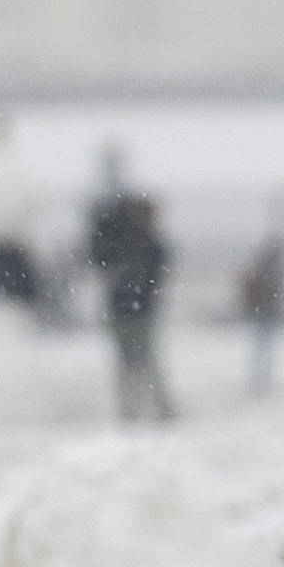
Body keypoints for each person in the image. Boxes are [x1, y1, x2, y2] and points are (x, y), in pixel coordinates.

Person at [85, 157, 177, 426]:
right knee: (134, 362)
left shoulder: (146, 245)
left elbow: (150, 274)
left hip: (135, 309)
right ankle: (138, 409)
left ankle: (151, 408)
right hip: (128, 309)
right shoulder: (135, 243)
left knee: (142, 361)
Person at [237, 214, 284, 399]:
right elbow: (280, 288)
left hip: (262, 310)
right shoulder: (274, 269)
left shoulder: (262, 266)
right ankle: (261, 377)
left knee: (261, 344)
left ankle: (259, 377)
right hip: (268, 310)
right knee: (264, 344)